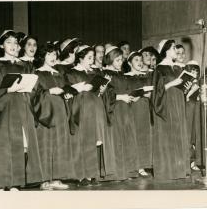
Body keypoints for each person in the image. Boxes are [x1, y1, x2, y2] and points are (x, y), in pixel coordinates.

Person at [0, 30, 43, 191]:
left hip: (22, 105)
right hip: (4, 107)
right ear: (1, 45)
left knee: (21, 145)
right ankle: (1, 183)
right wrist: (8, 90)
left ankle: (15, 182)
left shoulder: (26, 65)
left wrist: (29, 86)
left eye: (16, 43)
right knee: (4, 145)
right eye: (9, 42)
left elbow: (36, 86)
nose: (13, 46)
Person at [65, 45, 113, 185]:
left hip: (95, 107)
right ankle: (81, 175)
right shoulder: (72, 72)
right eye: (89, 57)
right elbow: (69, 91)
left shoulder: (94, 73)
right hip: (82, 108)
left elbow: (97, 91)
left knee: (94, 140)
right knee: (83, 140)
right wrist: (81, 88)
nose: (92, 60)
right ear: (80, 58)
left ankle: (92, 174)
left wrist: (102, 90)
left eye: (93, 57)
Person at [32, 43, 73, 190]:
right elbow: (33, 96)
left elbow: (66, 90)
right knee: (45, 144)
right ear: (43, 56)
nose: (53, 57)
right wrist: (49, 92)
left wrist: (67, 95)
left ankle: (57, 178)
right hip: (46, 114)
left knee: (59, 144)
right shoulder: (36, 74)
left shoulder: (59, 74)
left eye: (55, 54)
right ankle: (44, 180)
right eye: (49, 54)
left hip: (60, 112)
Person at [151, 39, 192, 180]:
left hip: (178, 103)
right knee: (168, 135)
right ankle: (168, 171)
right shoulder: (159, 69)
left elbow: (180, 86)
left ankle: (181, 169)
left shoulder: (178, 68)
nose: (177, 51)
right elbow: (157, 91)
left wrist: (186, 87)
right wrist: (172, 84)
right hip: (167, 104)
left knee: (179, 133)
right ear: (167, 50)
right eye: (174, 48)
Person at [102, 46, 139, 180]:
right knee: (117, 140)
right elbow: (105, 95)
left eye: (121, 60)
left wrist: (133, 96)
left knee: (127, 138)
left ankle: (128, 171)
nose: (120, 63)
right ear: (110, 60)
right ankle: (118, 173)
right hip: (115, 110)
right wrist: (120, 97)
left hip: (126, 110)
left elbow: (127, 89)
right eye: (117, 60)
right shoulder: (105, 74)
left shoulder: (121, 74)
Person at [124, 51, 153, 177]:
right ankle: (133, 166)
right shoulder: (125, 77)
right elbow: (125, 92)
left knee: (143, 135)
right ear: (129, 62)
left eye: (141, 60)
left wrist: (148, 94)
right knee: (133, 135)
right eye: (136, 60)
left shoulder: (145, 76)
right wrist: (132, 96)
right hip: (132, 108)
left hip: (144, 107)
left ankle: (142, 165)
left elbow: (151, 92)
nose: (140, 62)